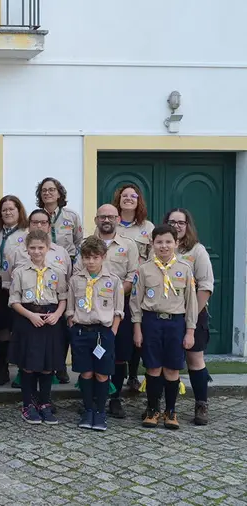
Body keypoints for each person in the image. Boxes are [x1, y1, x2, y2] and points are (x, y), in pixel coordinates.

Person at [131, 224, 198, 430]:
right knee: (153, 367)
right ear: (152, 244)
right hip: (151, 322)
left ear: (176, 244)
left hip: (175, 323)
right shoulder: (143, 270)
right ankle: (152, 409)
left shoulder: (185, 269)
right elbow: (135, 301)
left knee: (171, 369)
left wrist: (190, 331)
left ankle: (171, 411)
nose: (164, 246)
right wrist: (137, 328)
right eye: (159, 242)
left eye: (168, 242)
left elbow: (191, 303)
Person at [9, 230, 68, 425]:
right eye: (32, 248)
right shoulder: (19, 272)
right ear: (27, 249)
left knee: (46, 366)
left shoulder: (57, 272)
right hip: (28, 319)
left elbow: (63, 298)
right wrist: (31, 316)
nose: (36, 252)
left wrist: (57, 315)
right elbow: (14, 301)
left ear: (48, 248)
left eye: (40, 248)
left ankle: (44, 403)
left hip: (50, 320)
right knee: (28, 365)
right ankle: (28, 405)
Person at [67, 237, 123, 432]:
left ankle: (100, 411)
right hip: (82, 331)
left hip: (104, 332)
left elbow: (118, 310)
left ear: (103, 257)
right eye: (86, 257)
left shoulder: (113, 281)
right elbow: (70, 308)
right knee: (86, 372)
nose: (90, 261)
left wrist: (113, 331)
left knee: (101, 373)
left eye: (95, 257)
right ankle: (88, 409)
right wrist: (72, 325)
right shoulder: (75, 280)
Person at [165, 208, 214, 425]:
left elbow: (205, 286)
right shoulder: (160, 248)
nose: (176, 226)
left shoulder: (197, 250)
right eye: (172, 222)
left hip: (194, 314)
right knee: (166, 361)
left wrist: (191, 314)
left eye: (181, 222)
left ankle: (201, 404)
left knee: (195, 359)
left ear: (188, 225)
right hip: (166, 315)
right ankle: (166, 408)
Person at [90, 204, 139, 419]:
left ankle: (116, 397)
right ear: (96, 220)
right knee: (92, 354)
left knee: (118, 354)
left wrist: (114, 296)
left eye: (110, 216)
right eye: (102, 217)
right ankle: (92, 398)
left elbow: (132, 277)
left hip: (120, 308)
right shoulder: (87, 244)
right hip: (92, 310)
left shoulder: (129, 245)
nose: (106, 220)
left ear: (118, 219)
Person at [113, 183, 154, 393]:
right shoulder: (112, 224)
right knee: (121, 331)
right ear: (118, 199)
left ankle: (132, 375)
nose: (129, 198)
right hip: (115, 286)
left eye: (133, 196)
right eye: (124, 195)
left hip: (140, 286)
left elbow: (154, 257)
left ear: (139, 201)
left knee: (137, 328)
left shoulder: (147, 227)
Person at [0, 195, 28, 386]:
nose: (7, 212)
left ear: (19, 211)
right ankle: (1, 367)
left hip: (19, 288)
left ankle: (22, 370)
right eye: (4, 209)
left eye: (11, 209)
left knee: (18, 330)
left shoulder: (27, 233)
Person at [36, 177, 83, 264]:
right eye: (44, 190)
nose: (47, 193)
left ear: (59, 194)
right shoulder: (35, 218)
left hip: (68, 262)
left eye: (51, 190)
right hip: (44, 263)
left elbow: (79, 241)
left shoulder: (72, 216)